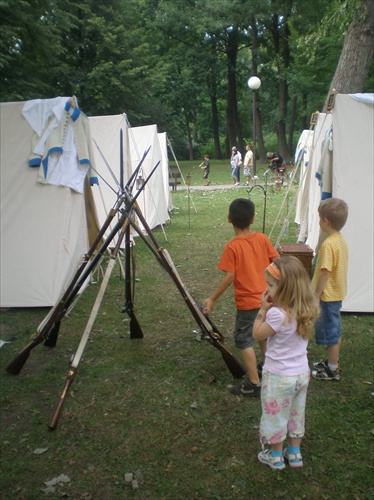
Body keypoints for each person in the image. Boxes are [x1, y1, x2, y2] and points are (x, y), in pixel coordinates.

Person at [202, 198, 279, 397]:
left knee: (245, 341)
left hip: (248, 305)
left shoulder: (232, 247)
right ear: (253, 219)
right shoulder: (262, 238)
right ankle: (269, 369)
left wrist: (211, 299)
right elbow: (278, 262)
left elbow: (230, 276)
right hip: (267, 300)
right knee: (262, 334)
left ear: (229, 219)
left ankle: (255, 383)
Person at [253, 256, 320, 470]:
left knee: (276, 414)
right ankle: (294, 453)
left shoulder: (276, 314)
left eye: (271, 285)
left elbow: (257, 334)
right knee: (295, 413)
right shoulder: (306, 309)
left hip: (278, 377)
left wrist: (262, 309)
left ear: (286, 289)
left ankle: (275, 456)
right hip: (301, 374)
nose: (267, 289)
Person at [311, 198, 349, 381]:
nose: (319, 221)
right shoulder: (340, 240)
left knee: (332, 332)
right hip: (337, 292)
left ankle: (332, 369)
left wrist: (316, 295)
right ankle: (331, 362)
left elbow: (325, 273)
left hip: (327, 295)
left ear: (326, 221)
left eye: (319, 218)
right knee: (333, 328)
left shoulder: (328, 244)